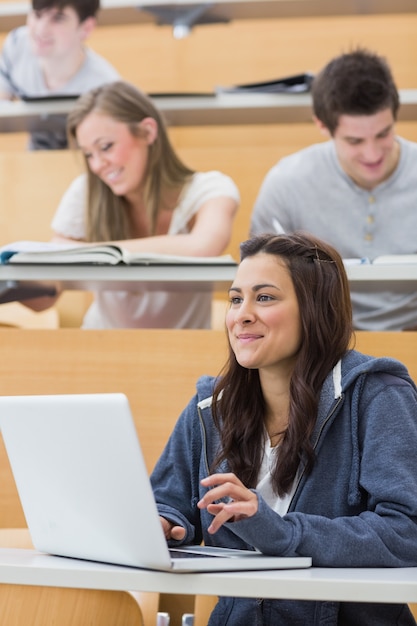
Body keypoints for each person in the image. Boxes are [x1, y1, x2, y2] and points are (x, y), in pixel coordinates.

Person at [150, 231, 417, 625]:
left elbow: (406, 532)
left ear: (315, 309)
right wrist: (163, 523)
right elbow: (170, 502)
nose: (241, 313)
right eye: (236, 298)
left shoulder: (379, 396)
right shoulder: (210, 408)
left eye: (265, 297)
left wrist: (282, 532)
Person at [26, 80, 240, 329]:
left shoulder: (210, 188)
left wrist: (91, 253)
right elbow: (46, 296)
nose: (97, 165)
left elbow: (203, 247)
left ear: (148, 132)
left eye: (106, 147)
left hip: (181, 353)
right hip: (102, 346)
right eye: (88, 154)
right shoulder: (86, 191)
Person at [250, 48, 417, 331]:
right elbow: (260, 283)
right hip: (319, 342)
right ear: (322, 125)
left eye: (383, 134)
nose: (373, 154)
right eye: (354, 141)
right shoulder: (287, 183)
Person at [0, 0, 120, 149]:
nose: (42, 30)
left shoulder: (104, 87)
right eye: (37, 15)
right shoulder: (17, 45)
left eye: (58, 19)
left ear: (86, 28)